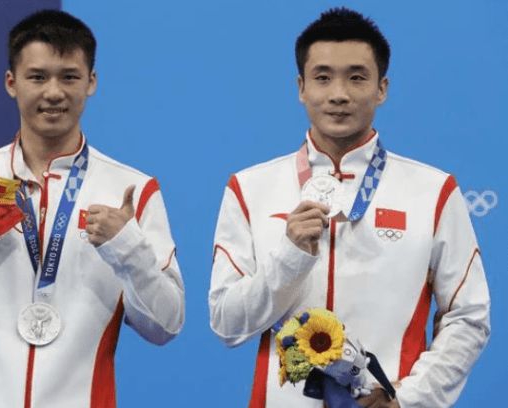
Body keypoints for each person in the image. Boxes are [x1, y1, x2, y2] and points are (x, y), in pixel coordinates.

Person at [209, 7, 490, 408]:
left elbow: (468, 316)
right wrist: (289, 258)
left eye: (357, 77)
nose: (338, 93)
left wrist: (409, 400)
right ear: (301, 87)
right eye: (322, 77)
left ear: (382, 88)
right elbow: (227, 324)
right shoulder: (250, 188)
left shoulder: (434, 191)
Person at [0, 10, 184, 408]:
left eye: (69, 76)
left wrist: (129, 249)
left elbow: (166, 325)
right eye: (37, 77)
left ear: (91, 83)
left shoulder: (133, 190)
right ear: (11, 83)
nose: (54, 92)